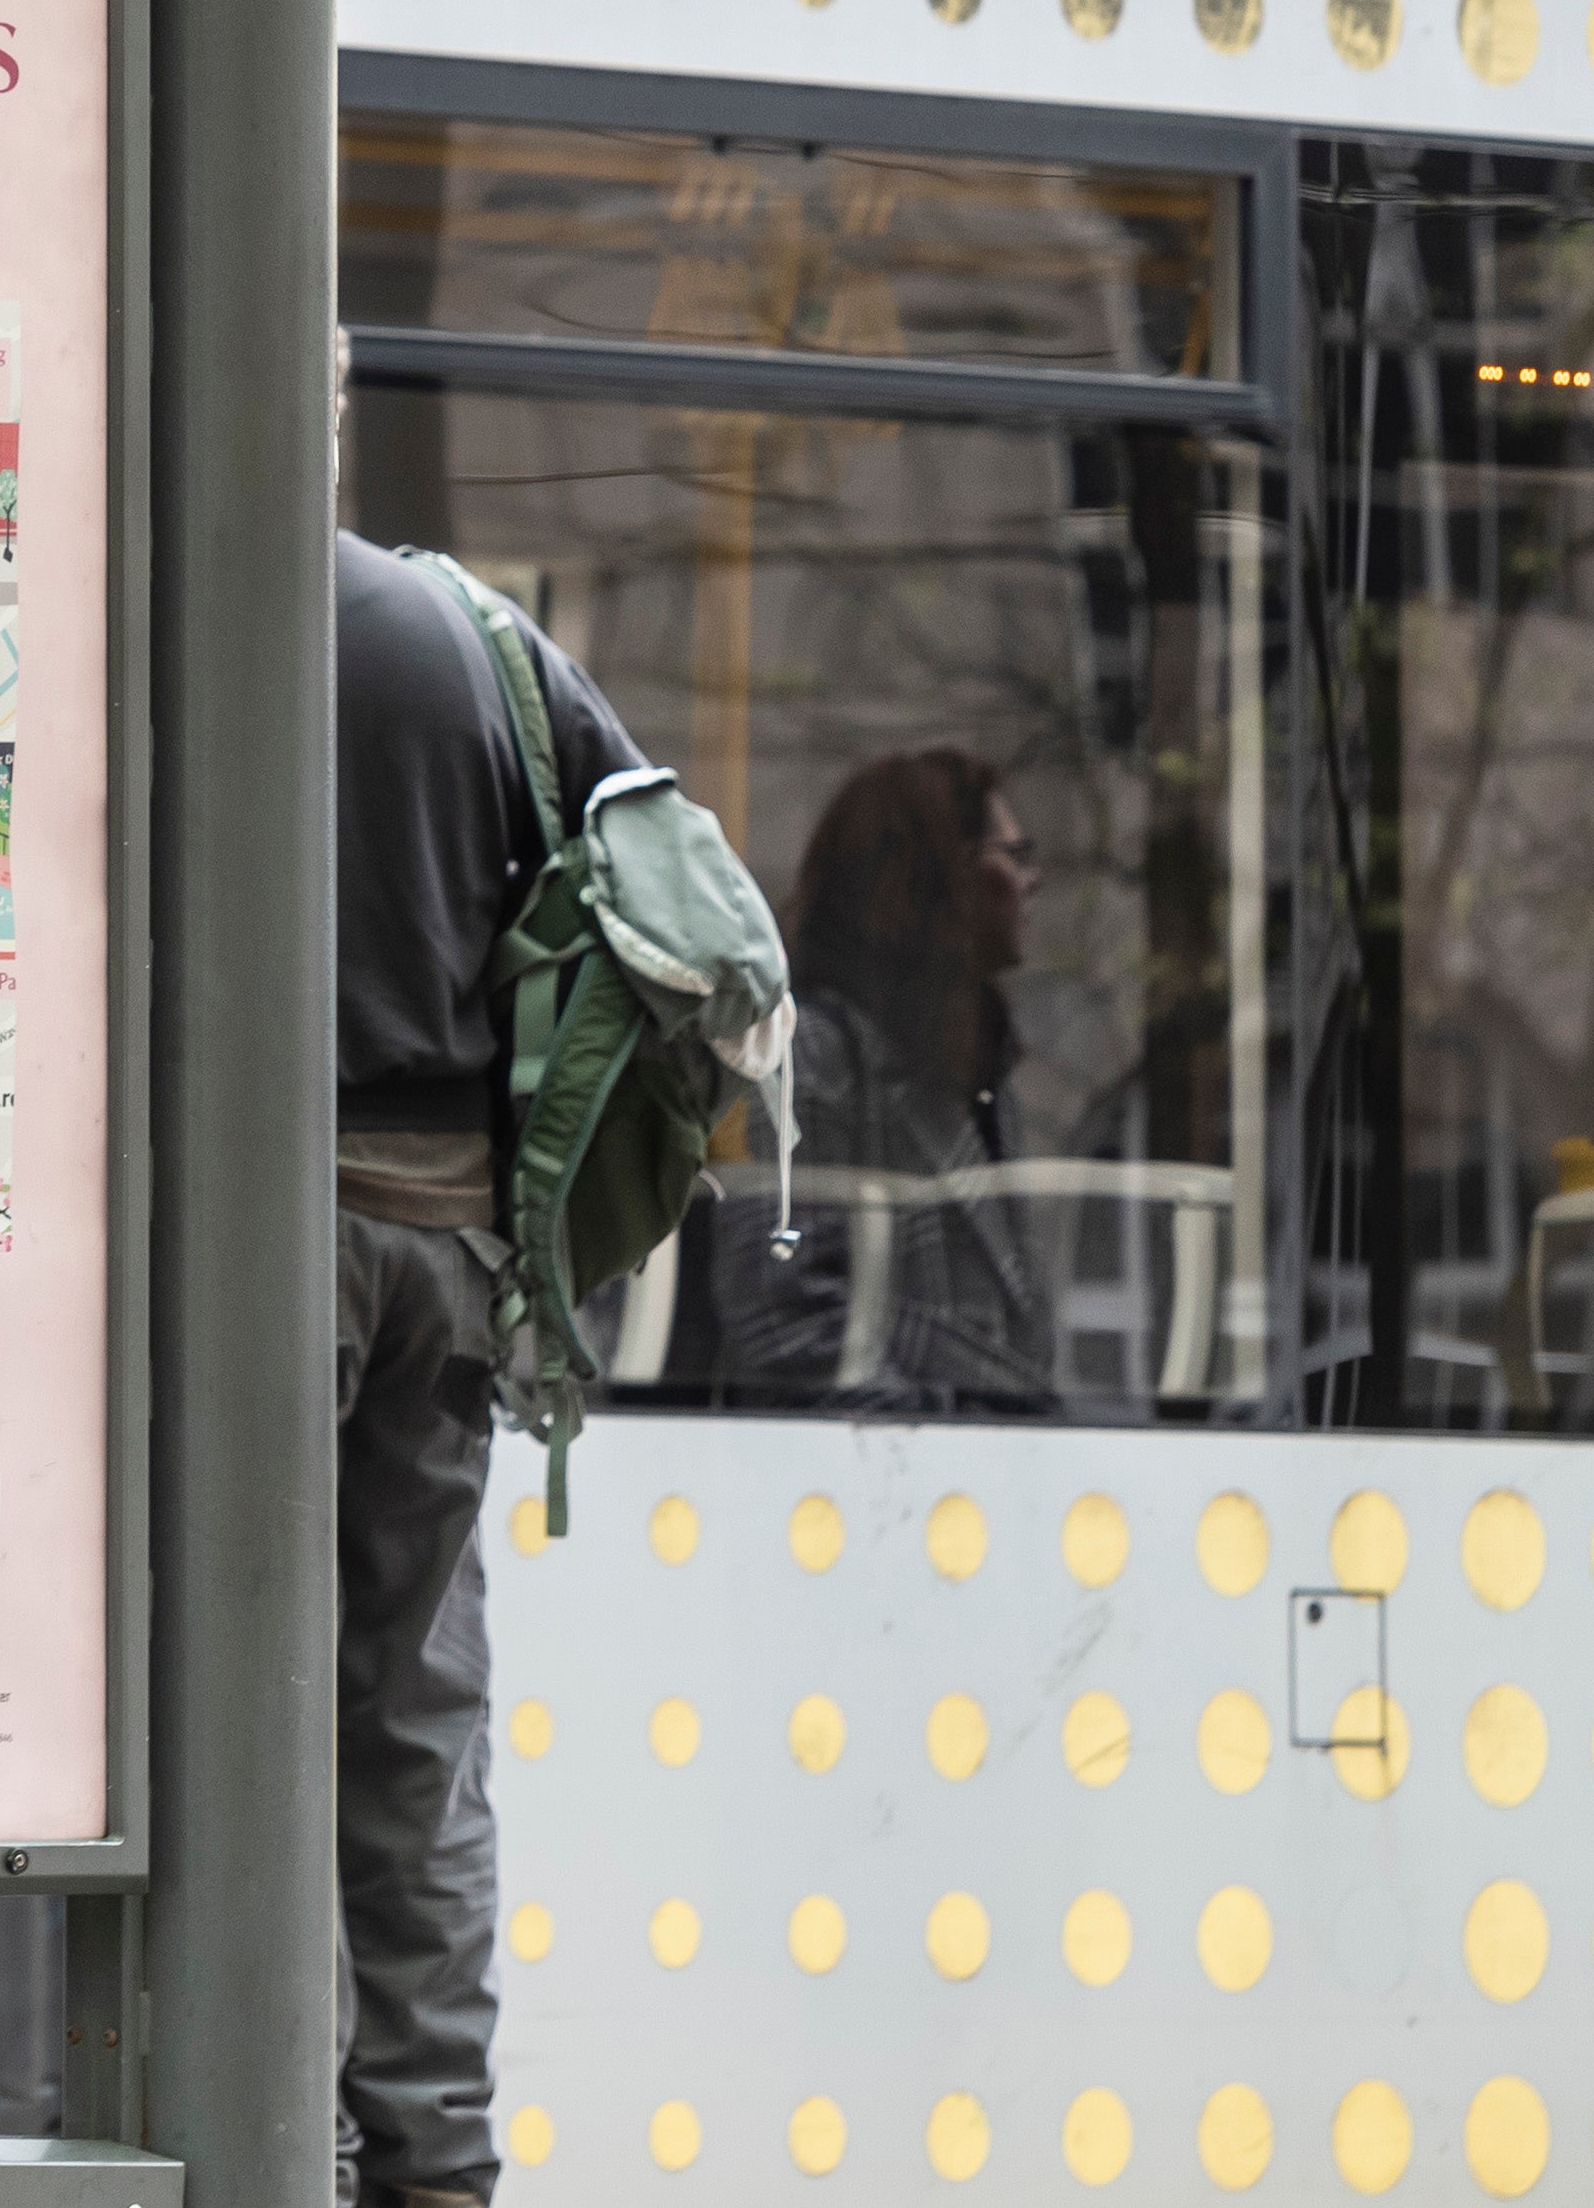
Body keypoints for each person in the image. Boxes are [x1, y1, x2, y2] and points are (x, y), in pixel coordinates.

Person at [330, 523, 650, 2208]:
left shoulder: (171, 593)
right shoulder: (476, 629)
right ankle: (433, 2160)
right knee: (412, 1720)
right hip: (455, 1246)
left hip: (270, 1242)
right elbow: (653, 865)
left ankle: (261, 2118)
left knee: (233, 1701)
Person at [728, 749, 1056, 1412]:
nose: (1033, 879)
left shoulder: (982, 1070)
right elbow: (781, 1326)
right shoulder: (817, 1057)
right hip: (888, 1490)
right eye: (1015, 854)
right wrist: (945, 1441)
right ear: (949, 873)